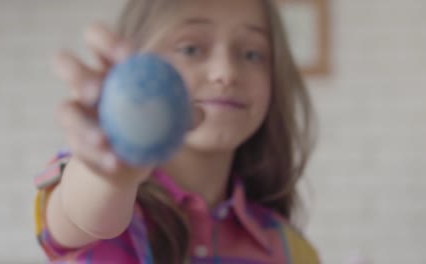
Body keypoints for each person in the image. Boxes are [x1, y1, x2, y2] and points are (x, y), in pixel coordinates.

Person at [34, 0, 319, 263]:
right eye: (191, 49)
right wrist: (109, 174)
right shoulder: (100, 194)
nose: (226, 72)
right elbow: (79, 213)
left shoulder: (293, 250)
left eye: (252, 54)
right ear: (136, 61)